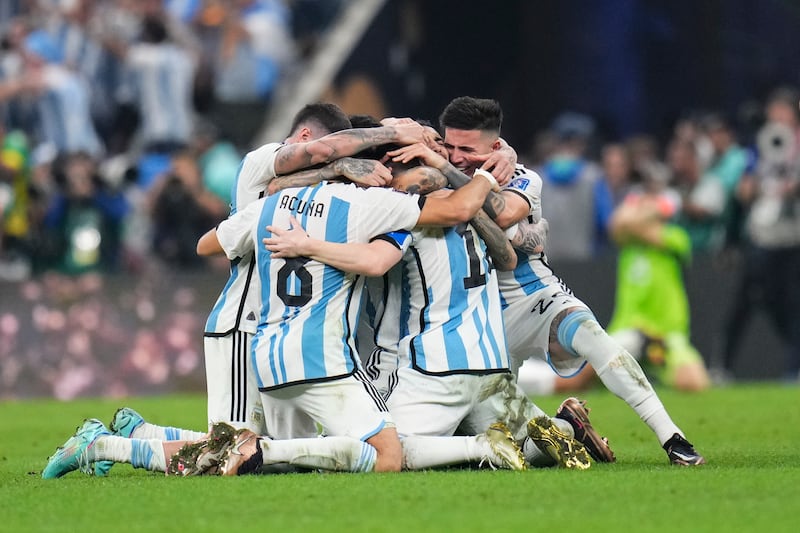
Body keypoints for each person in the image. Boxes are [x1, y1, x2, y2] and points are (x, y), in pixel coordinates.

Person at [430, 96, 705, 466]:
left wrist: (474, 176)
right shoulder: (433, 175)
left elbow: (507, 211)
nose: (456, 156)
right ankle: (570, 427)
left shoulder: (525, 177)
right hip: (483, 322)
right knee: (493, 448)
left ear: (495, 147)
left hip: (536, 299)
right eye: (450, 146)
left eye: (467, 148)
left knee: (596, 340)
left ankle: (674, 439)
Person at [606, 162, 710, 392]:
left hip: (667, 333)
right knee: (581, 375)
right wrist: (655, 204)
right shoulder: (627, 243)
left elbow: (633, 224)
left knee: (694, 383)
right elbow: (617, 225)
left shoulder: (675, 237)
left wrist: (643, 205)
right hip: (629, 328)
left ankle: (654, 371)